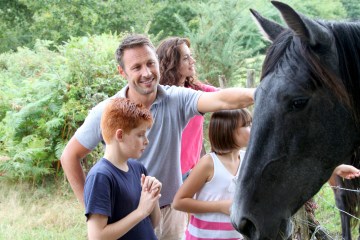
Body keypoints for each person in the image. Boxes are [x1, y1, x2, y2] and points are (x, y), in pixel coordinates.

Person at [60, 33, 255, 240]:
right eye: (136, 67)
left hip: (170, 212)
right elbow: (69, 156)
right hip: (123, 217)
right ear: (122, 71)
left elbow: (222, 100)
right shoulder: (108, 111)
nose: (146, 73)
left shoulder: (175, 99)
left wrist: (258, 94)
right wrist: (92, 210)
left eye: (150, 63)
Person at [84, 97, 161, 240]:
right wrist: (141, 212)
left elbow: (153, 223)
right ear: (120, 135)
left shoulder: (139, 169)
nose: (146, 141)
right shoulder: (101, 176)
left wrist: (153, 197)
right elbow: (97, 236)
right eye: (140, 134)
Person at [173, 108, 252, 240]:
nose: (253, 128)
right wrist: (220, 206)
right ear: (228, 130)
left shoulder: (248, 159)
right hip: (202, 236)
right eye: (247, 125)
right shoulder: (209, 163)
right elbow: (179, 202)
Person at [156, 37, 218, 181]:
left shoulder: (196, 91)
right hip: (168, 176)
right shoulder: (159, 96)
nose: (192, 61)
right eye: (186, 58)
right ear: (172, 64)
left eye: (191, 56)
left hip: (193, 173)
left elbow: (225, 96)